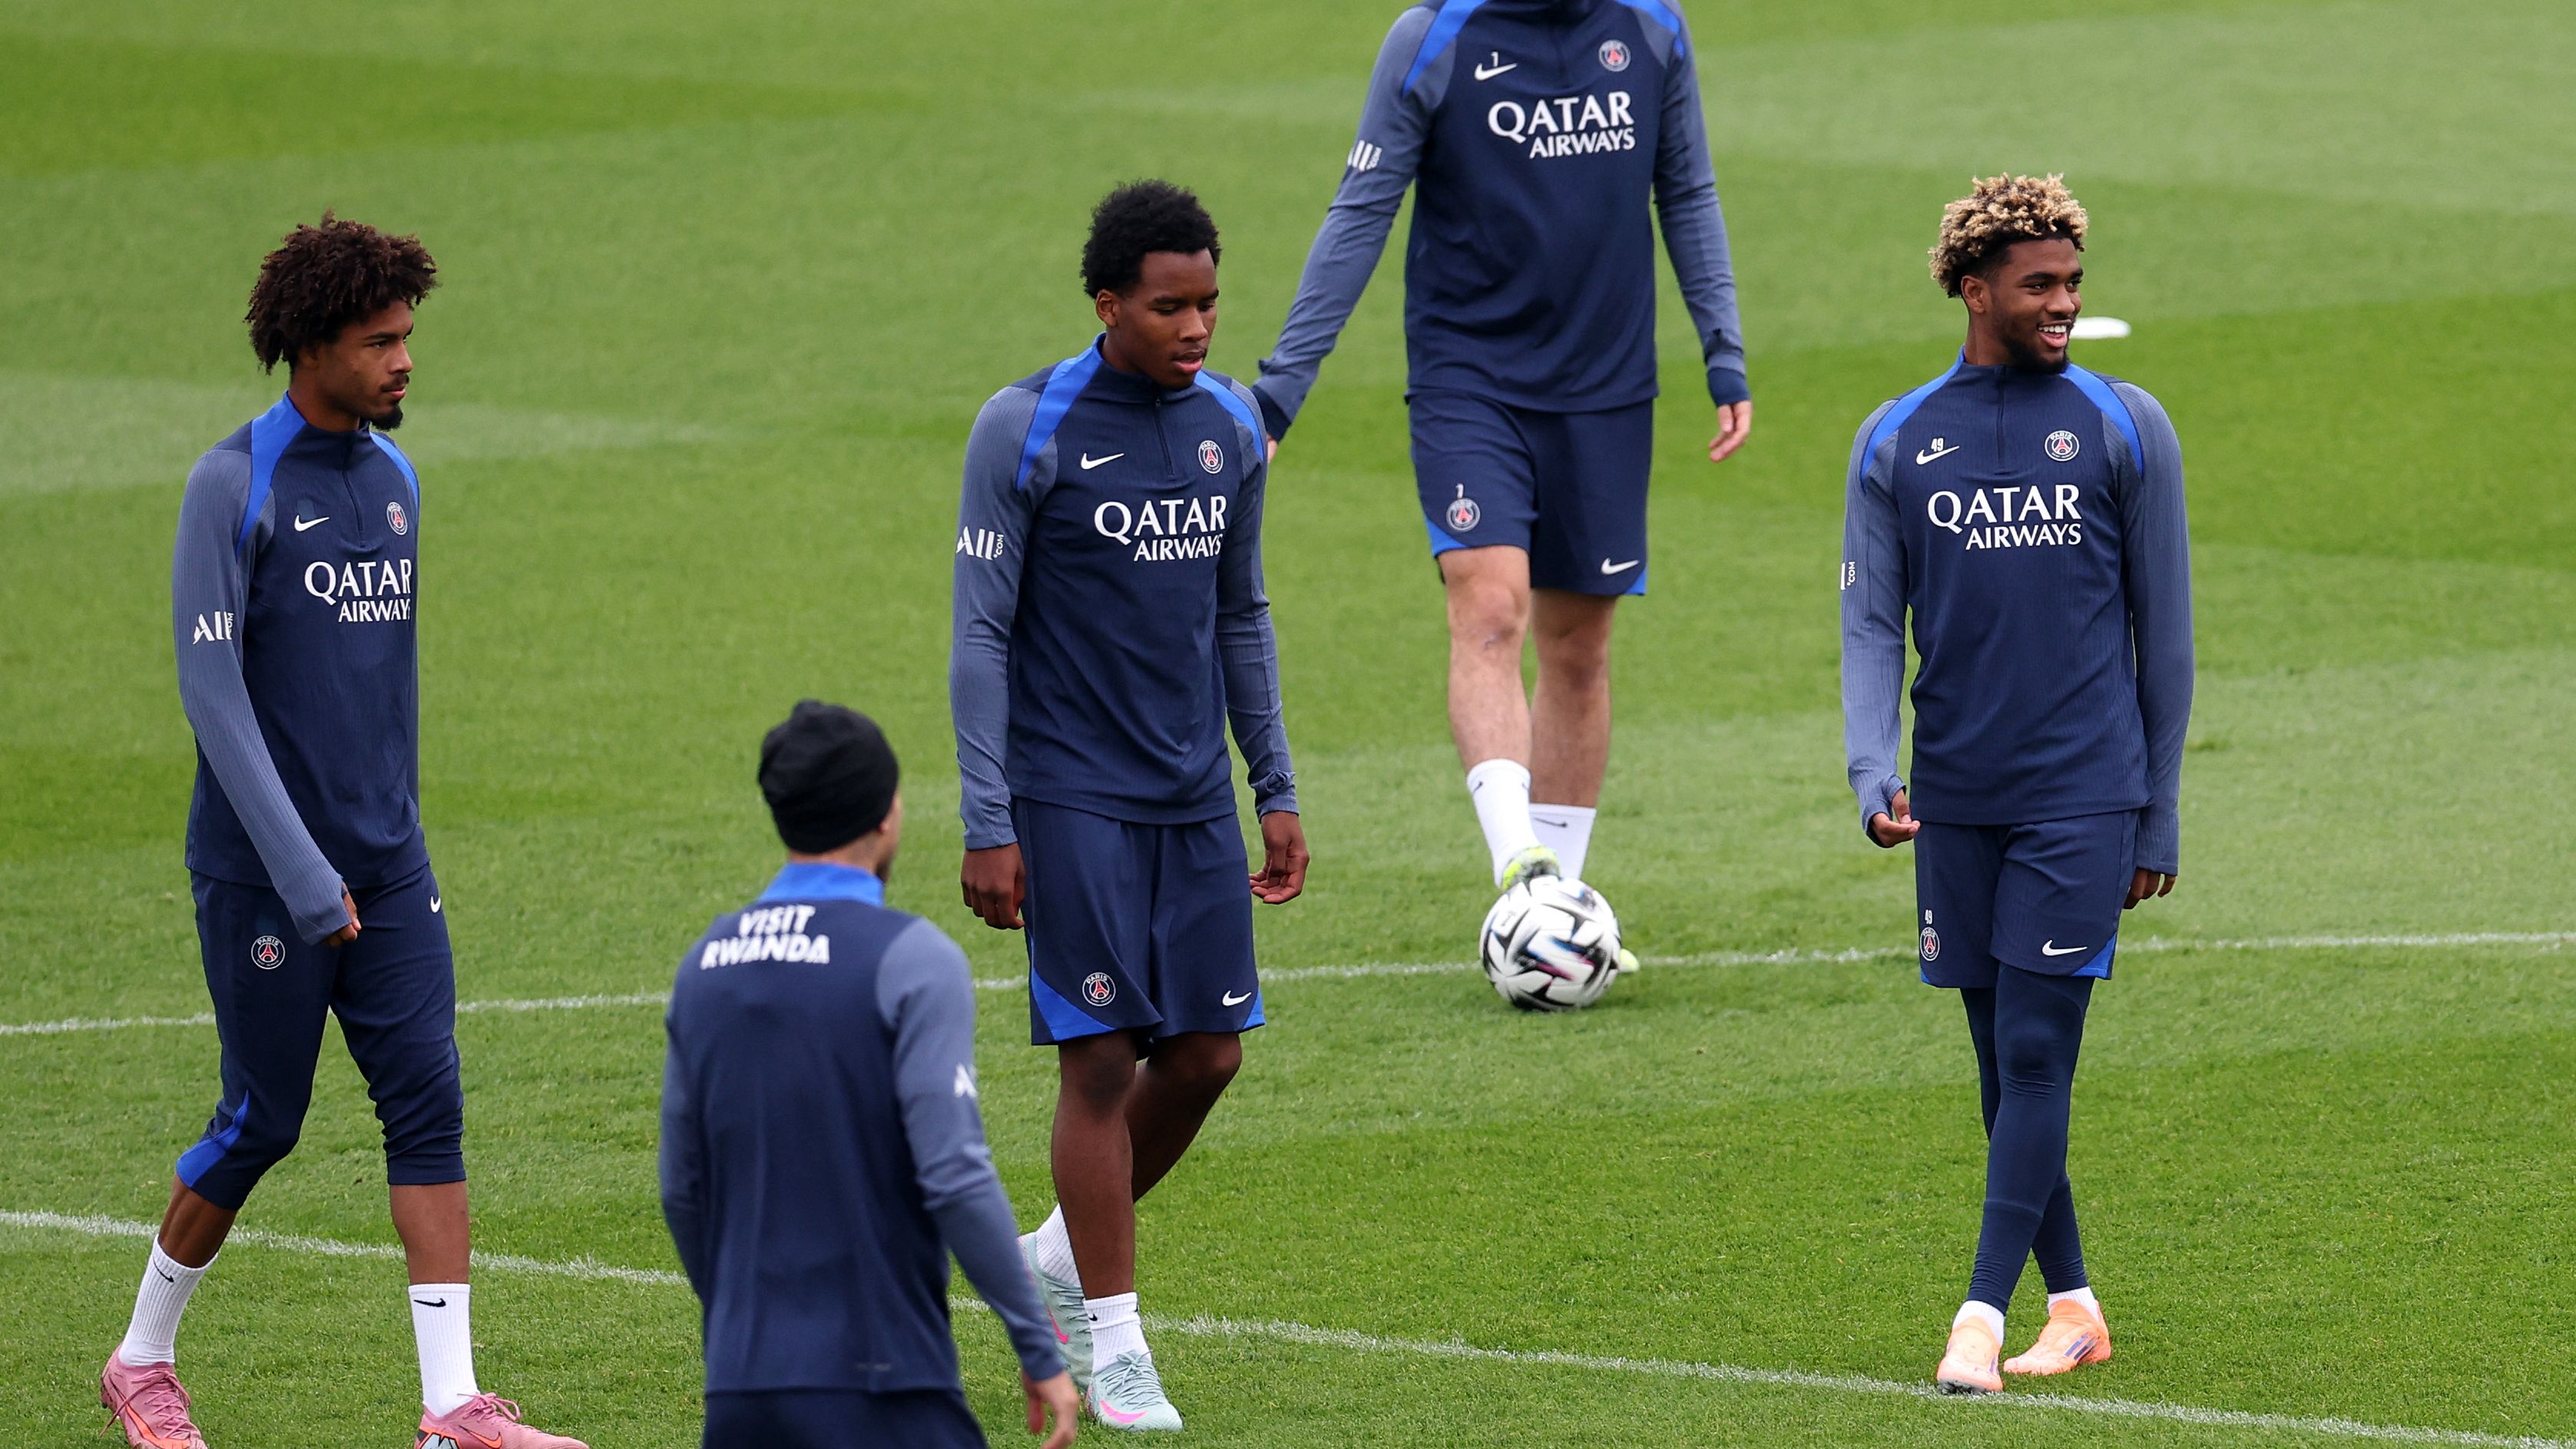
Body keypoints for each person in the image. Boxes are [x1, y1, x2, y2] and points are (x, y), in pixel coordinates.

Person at [108, 214, 584, 1449]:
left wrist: (385, 840)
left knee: (429, 1104)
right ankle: (142, 1357)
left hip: (389, 864)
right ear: (311, 343)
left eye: (408, 336)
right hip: (266, 875)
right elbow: (212, 695)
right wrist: (304, 870)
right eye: (380, 341)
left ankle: (450, 1405)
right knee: (261, 1119)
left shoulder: (397, 480)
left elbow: (382, 689)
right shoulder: (233, 484)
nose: (405, 359)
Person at [1255, 0, 1750, 922]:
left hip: (1606, 387)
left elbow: (1686, 191)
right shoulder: (1434, 39)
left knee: (1579, 646)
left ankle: (1555, 906)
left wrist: (1723, 348)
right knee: (1488, 609)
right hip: (1469, 380)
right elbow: (1362, 211)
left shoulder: (1653, 28)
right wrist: (1282, 388)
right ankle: (1521, 867)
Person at [949, 180, 1310, 1432]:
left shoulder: (1228, 426)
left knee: (1207, 1052)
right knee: (1100, 1055)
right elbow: (979, 633)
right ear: (1107, 304)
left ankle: (1054, 1252)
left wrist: (1272, 784)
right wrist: (988, 817)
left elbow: (1241, 613)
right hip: (1068, 792)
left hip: (1192, 795)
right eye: (1168, 307)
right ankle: (1116, 1345)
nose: (1196, 327)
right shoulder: (1025, 427)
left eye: (1208, 302)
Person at [1838, 175, 2193, 1394]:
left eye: (2072, 282)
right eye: (2038, 284)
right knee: (2000, 1064)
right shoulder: (1895, 436)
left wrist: (2155, 810)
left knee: (2038, 1053)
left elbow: (2165, 637)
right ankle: (2075, 1306)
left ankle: (1977, 1318)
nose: (2063, 303)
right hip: (1954, 795)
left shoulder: (2123, 423)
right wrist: (1870, 765)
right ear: (1970, 287)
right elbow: (1870, 623)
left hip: (2081, 793)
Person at [659, 701, 1078, 1449]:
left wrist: (737, 1327)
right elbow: (954, 1174)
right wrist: (1036, 1343)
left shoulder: (704, 965)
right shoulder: (913, 960)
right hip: (883, 1379)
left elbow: (681, 1187)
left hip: (742, 1387)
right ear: (888, 816)